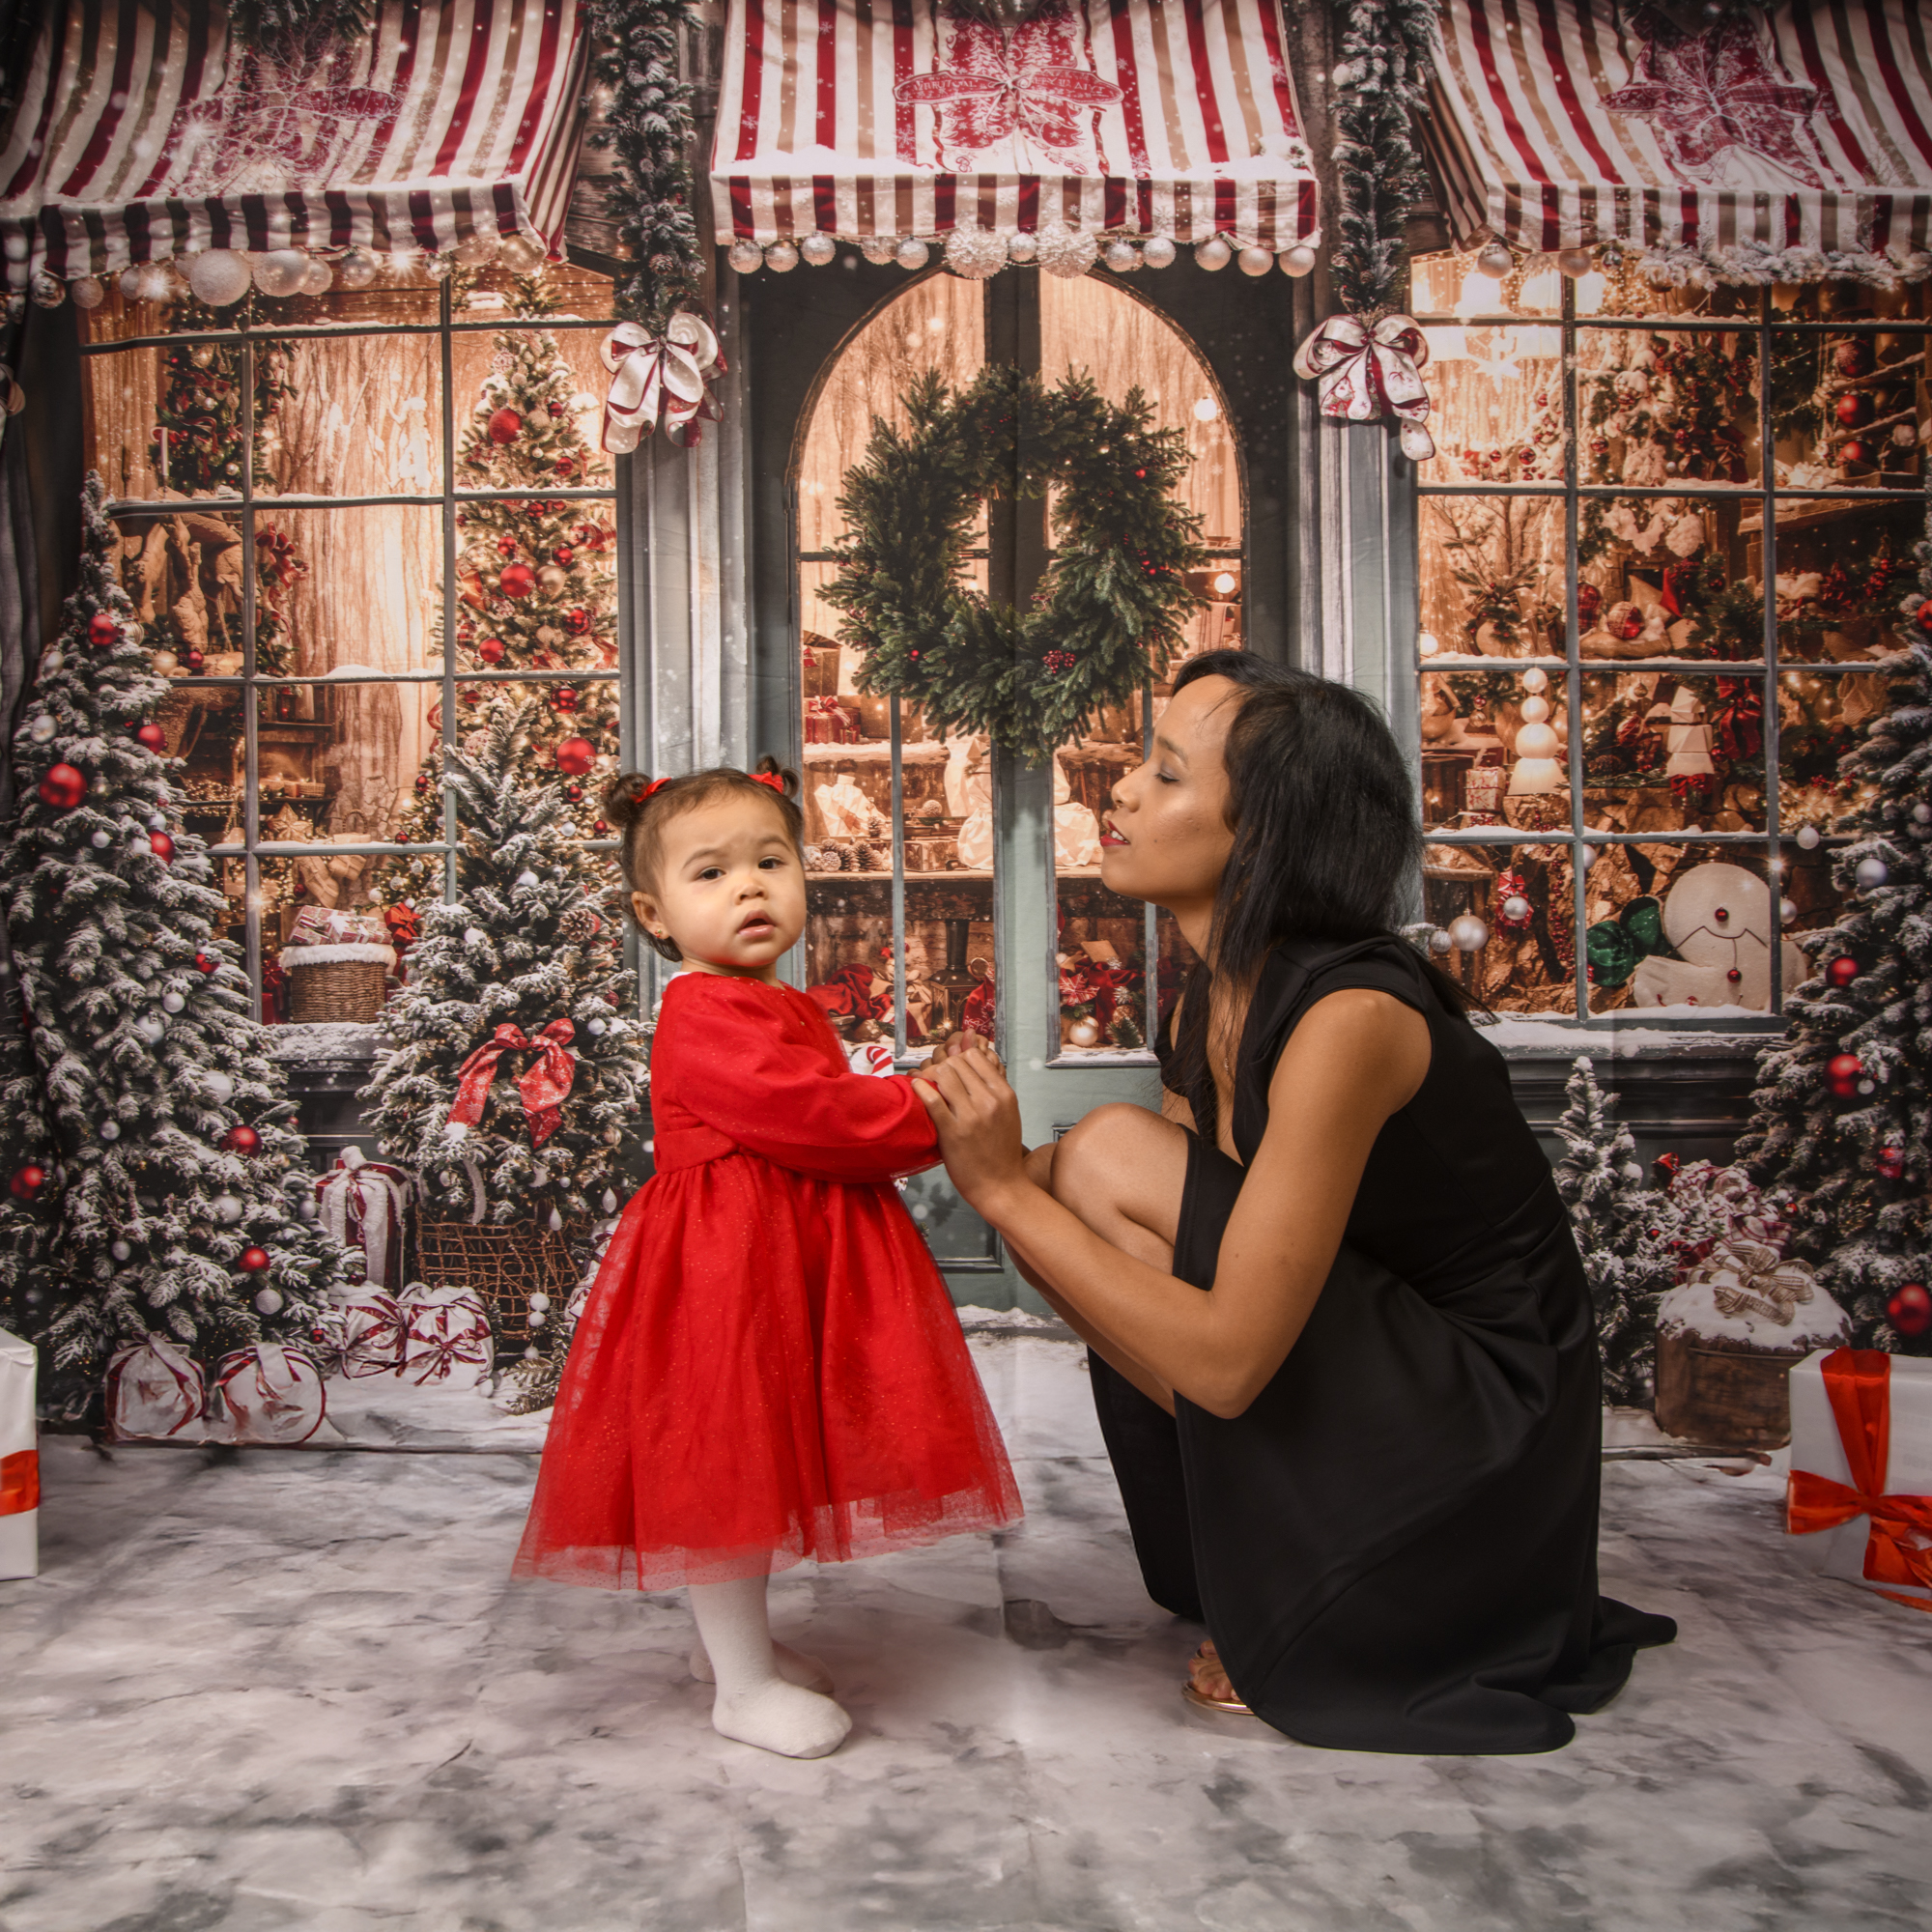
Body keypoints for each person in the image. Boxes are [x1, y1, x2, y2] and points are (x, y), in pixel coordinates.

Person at [915, 651, 1675, 1755]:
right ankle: (1287, 1554)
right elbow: (1163, 1237)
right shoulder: (1216, 989)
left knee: (1095, 1158)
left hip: (1486, 1417)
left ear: (1261, 835)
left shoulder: (1348, 1014)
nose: (1118, 791)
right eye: (1138, 763)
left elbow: (1226, 1358)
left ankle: (1358, 1596)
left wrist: (991, 1185)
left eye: (1165, 775)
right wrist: (909, 1179)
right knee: (1069, 1186)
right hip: (1385, 1366)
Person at [513, 758, 1020, 1759]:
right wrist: (922, 1109)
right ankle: (739, 1687)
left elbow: (814, 1099)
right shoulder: (702, 1008)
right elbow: (808, 1115)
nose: (748, 885)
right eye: (710, 873)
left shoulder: (772, 999)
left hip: (776, 1254)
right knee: (728, 1462)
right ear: (652, 915)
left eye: (770, 860)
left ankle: (731, 1652)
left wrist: (898, 1090)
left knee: (763, 1455)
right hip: (724, 1266)